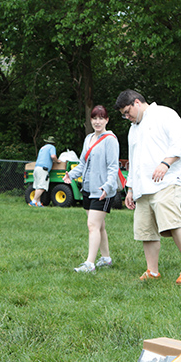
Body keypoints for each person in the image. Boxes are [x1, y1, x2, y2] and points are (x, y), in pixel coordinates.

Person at [114, 90, 181, 285]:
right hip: (143, 186)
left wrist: (165, 163)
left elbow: (180, 143)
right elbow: (133, 161)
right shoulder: (133, 128)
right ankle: (152, 271)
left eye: (127, 112)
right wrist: (131, 188)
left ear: (137, 102)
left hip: (168, 181)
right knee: (145, 229)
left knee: (172, 219)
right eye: (123, 115)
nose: (127, 117)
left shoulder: (165, 114)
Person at [63, 105, 120, 272]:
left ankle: (89, 264)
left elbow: (113, 167)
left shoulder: (110, 139)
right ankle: (106, 258)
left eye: (101, 118)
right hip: (88, 189)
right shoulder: (88, 138)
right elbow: (82, 163)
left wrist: (108, 186)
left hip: (103, 191)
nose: (98, 121)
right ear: (91, 120)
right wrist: (71, 175)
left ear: (107, 120)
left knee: (92, 226)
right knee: (99, 226)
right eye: (95, 118)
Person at [30, 136, 57, 207]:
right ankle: (33, 201)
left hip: (36, 168)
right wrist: (57, 161)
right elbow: (53, 156)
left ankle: (38, 203)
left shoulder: (42, 148)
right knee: (42, 187)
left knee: (37, 187)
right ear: (53, 143)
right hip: (43, 169)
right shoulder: (52, 147)